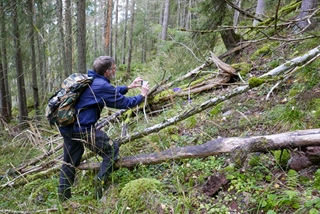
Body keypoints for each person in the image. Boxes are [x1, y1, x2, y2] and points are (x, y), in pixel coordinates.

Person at [57, 56, 149, 201]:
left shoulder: (90, 80)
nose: (115, 70)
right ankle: (99, 186)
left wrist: (129, 87)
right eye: (114, 68)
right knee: (112, 150)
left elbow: (109, 92)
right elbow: (123, 103)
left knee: (69, 162)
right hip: (83, 129)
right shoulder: (101, 85)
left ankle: (63, 199)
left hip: (68, 127)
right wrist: (142, 95)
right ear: (107, 72)